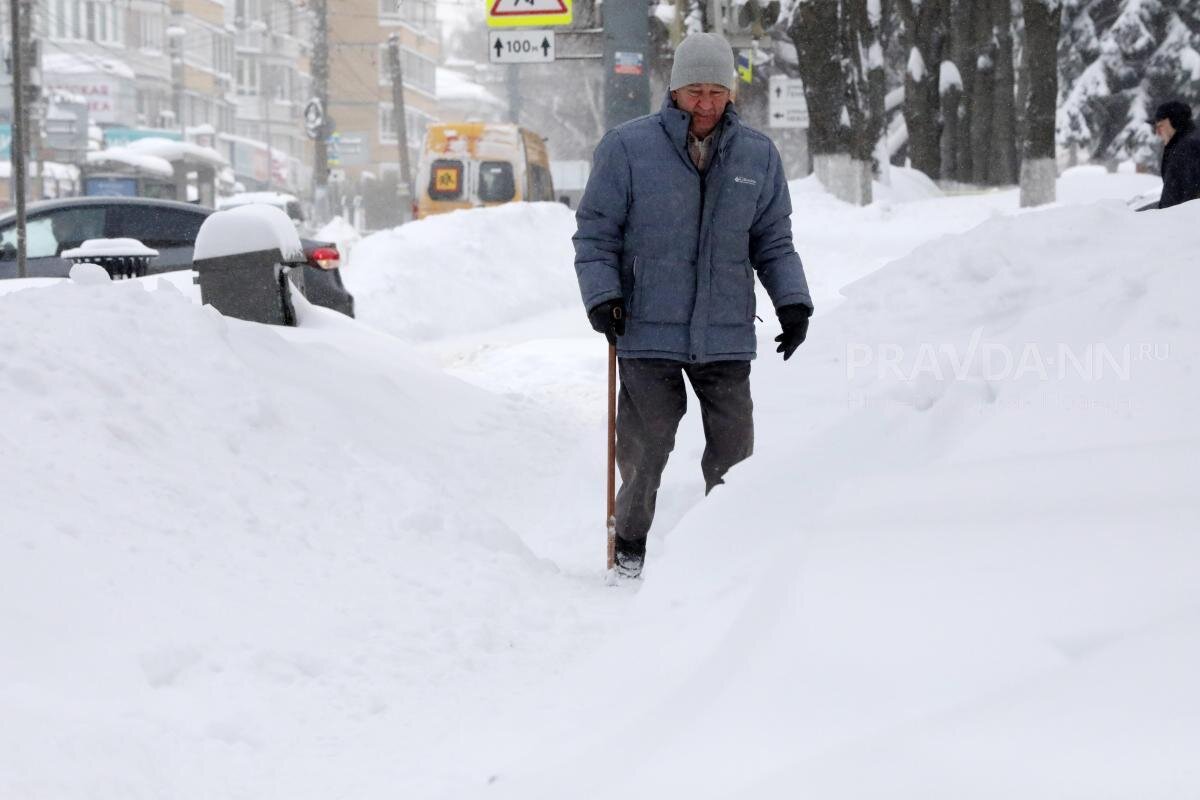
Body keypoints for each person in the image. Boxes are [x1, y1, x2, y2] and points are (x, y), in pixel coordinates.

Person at [572, 32, 813, 579]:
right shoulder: (628, 148)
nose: (705, 104)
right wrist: (603, 295)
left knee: (733, 453)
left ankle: (726, 553)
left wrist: (793, 302)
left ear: (731, 92)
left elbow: (773, 240)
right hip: (645, 327)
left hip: (724, 331)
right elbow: (596, 234)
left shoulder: (757, 154)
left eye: (716, 91)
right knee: (647, 444)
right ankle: (629, 545)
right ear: (674, 90)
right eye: (694, 91)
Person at [1153, 100, 1200, 209]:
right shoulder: (1182, 144)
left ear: (1174, 121)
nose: (1158, 133)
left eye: (1160, 126)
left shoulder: (1188, 148)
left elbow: (1184, 198)